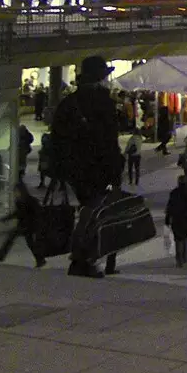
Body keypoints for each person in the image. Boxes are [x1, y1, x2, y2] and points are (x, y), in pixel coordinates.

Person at [50, 55, 125, 278]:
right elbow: (110, 140)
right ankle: (81, 259)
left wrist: (62, 168)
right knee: (94, 213)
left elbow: (57, 138)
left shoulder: (68, 103)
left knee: (89, 210)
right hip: (98, 168)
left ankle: (84, 259)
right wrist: (115, 169)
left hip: (75, 170)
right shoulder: (103, 103)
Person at [0, 182, 46, 267]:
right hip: (25, 225)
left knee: (13, 236)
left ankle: (0, 256)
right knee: (30, 243)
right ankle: (40, 260)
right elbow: (18, 213)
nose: (15, 193)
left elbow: (27, 213)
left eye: (16, 191)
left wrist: (7, 218)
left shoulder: (28, 201)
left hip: (30, 225)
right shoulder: (20, 201)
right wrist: (6, 218)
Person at [165, 174, 187, 267]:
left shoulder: (174, 193)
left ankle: (179, 260)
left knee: (178, 239)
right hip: (186, 218)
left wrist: (167, 219)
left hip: (176, 218)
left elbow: (169, 207)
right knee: (185, 238)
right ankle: (185, 258)